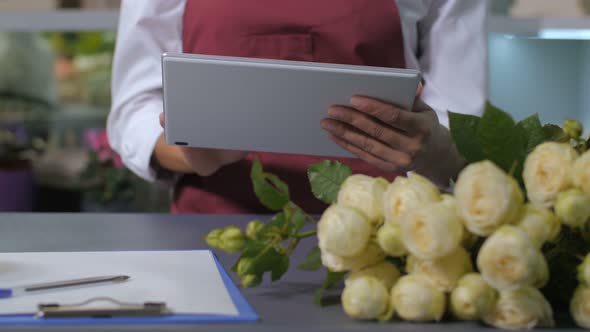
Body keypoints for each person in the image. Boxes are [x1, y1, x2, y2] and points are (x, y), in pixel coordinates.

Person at [108, 0, 487, 214]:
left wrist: (434, 151)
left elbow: (460, 120)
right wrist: (193, 150)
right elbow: (137, 110)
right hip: (215, 231)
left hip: (388, 230)